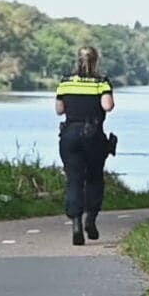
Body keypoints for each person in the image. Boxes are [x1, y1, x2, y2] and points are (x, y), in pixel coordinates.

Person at [55, 46, 114, 246]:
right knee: (94, 178)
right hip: (93, 135)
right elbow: (107, 106)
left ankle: (76, 223)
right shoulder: (101, 82)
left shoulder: (65, 82)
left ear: (77, 60)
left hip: (70, 135)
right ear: (96, 61)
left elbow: (59, 110)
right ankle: (91, 218)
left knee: (74, 180)